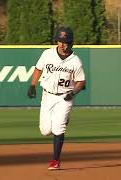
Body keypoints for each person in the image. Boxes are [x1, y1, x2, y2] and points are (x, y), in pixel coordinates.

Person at [27, 27, 85, 170]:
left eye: (65, 42)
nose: (62, 44)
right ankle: (62, 121)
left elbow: (81, 81)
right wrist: (32, 85)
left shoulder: (75, 61)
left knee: (58, 128)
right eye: (59, 41)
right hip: (47, 95)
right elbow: (38, 69)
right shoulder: (47, 54)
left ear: (70, 43)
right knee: (45, 130)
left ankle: (55, 160)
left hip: (65, 98)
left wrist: (74, 92)